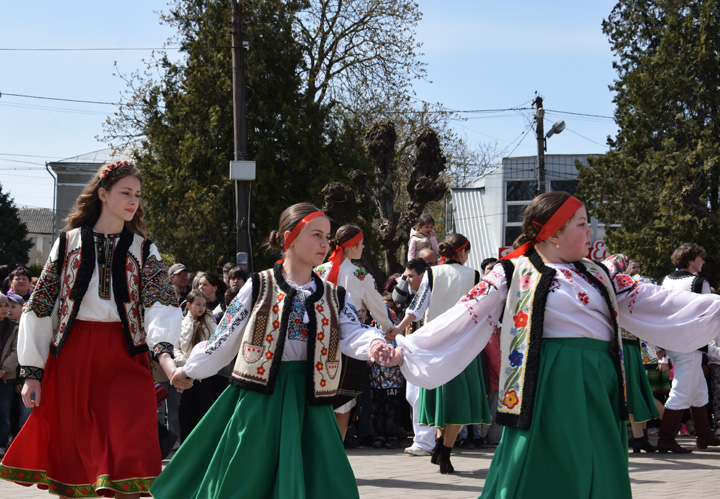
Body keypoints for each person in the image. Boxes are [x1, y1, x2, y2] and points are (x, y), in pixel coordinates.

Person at [390, 191, 720, 498]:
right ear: (553, 233)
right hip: (547, 384)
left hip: (600, 384)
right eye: (582, 224)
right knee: (551, 464)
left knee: (598, 459)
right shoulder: (513, 271)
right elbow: (465, 313)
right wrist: (405, 348)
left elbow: (655, 299)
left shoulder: (600, 273)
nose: (590, 232)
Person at [149, 203, 399, 499]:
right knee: (247, 479)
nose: (324, 243)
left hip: (310, 401)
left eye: (327, 236)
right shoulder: (259, 285)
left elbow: (352, 332)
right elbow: (224, 339)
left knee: (322, 482)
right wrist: (189, 370)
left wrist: (374, 344)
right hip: (260, 398)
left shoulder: (334, 295)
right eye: (316, 234)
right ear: (289, 237)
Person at [0, 160, 191, 498]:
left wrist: (167, 360)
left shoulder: (144, 248)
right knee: (72, 458)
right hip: (73, 356)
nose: (133, 201)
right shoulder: (67, 242)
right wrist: (32, 372)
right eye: (126, 192)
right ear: (103, 194)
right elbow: (41, 305)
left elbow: (161, 305)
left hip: (125, 355)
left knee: (131, 449)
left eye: (137, 195)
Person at [388, 233, 487, 474]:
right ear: (462, 252)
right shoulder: (474, 275)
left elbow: (417, 307)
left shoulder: (432, 273)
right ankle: (444, 452)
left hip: (435, 344)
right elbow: (481, 307)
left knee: (441, 398)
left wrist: (399, 329)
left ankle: (440, 446)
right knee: (458, 401)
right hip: (463, 344)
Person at [314, 224, 395, 440]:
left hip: (318, 341)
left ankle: (319, 447)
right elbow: (377, 307)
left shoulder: (318, 271)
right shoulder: (360, 275)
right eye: (361, 244)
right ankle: (336, 448)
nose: (363, 247)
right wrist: (389, 329)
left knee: (319, 394)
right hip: (349, 341)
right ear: (352, 246)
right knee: (345, 399)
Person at [657, 243, 720, 452]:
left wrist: (659, 344)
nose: (703, 261)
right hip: (690, 343)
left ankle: (704, 434)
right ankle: (666, 438)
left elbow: (658, 312)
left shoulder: (664, 281)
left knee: (698, 390)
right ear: (691, 261)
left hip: (671, 341)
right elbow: (708, 315)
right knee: (681, 391)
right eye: (701, 258)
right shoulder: (699, 282)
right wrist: (711, 347)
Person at [605, 255, 660, 453]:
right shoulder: (632, 283)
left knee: (623, 393)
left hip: (613, 344)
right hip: (627, 345)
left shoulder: (605, 284)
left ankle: (636, 438)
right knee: (632, 392)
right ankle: (637, 438)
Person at [175, 290, 217, 442]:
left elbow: (215, 344)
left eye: (204, 305)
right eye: (198, 304)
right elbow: (176, 347)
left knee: (203, 410)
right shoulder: (181, 323)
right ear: (188, 304)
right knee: (185, 411)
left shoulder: (210, 323)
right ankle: (186, 445)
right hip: (185, 372)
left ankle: (202, 445)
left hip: (204, 374)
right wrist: (185, 364)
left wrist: (200, 365)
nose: (201, 308)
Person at [0, 293, 18, 457]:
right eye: (0, 306)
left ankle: (1, 444)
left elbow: (16, 351)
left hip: (5, 378)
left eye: (6, 305)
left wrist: (4, 369)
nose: (4, 309)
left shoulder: (14, 327)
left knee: (4, 412)